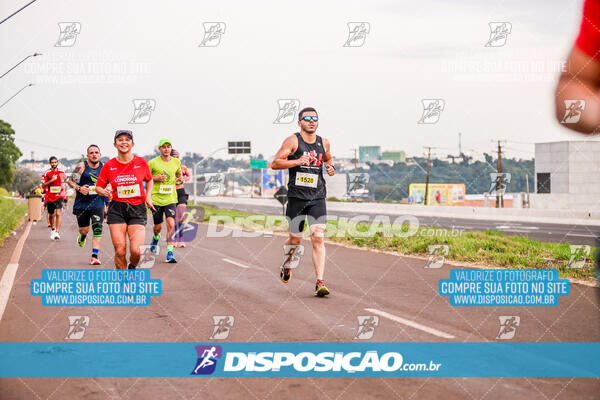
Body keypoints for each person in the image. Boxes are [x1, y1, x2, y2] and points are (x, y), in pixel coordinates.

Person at [271, 106, 335, 297]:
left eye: (315, 118)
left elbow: (329, 160)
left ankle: (320, 282)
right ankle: (287, 264)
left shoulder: (324, 143)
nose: (311, 121)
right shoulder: (292, 141)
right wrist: (296, 162)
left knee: (318, 236)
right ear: (299, 122)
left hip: (317, 196)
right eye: (307, 118)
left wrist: (330, 167)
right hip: (297, 198)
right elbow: (275, 163)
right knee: (296, 239)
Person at [95, 130, 154, 270]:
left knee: (136, 251)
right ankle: (123, 282)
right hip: (117, 209)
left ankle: (132, 267)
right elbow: (98, 186)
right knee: (120, 250)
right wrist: (104, 191)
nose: (124, 142)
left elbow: (149, 179)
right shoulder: (109, 166)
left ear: (132, 144)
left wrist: (148, 196)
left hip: (137, 209)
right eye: (120, 140)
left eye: (127, 139)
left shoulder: (141, 162)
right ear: (115, 144)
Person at [67, 145, 109, 265]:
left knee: (97, 228)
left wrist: (107, 201)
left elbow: (108, 184)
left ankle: (94, 256)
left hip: (98, 202)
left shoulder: (104, 167)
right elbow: (70, 181)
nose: (94, 155)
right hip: (82, 204)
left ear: (100, 155)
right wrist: (79, 188)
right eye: (91, 153)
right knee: (84, 230)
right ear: (88, 155)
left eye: (96, 152)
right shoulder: (81, 167)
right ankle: (83, 236)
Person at [148, 139, 181, 263]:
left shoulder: (176, 161)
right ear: (159, 149)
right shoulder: (152, 163)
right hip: (156, 198)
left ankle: (170, 253)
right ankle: (156, 238)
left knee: (171, 224)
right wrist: (155, 178)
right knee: (158, 226)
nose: (166, 149)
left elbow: (178, 174)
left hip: (170, 198)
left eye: (169, 147)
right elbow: (144, 177)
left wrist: (180, 178)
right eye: (164, 147)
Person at [41, 156, 65, 240]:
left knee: (58, 213)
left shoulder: (62, 172)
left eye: (55, 162)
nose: (54, 164)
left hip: (59, 195)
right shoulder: (47, 173)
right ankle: (52, 229)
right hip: (50, 196)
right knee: (51, 215)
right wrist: (52, 180)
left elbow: (64, 183)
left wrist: (65, 194)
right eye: (52, 162)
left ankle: (57, 232)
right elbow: (43, 185)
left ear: (57, 163)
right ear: (50, 163)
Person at [171, 148, 190, 247]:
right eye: (174, 157)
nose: (176, 159)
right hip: (171, 193)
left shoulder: (183, 167)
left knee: (182, 217)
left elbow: (189, 176)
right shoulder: (168, 168)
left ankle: (181, 239)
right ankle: (174, 239)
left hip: (181, 192)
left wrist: (186, 178)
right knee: (174, 218)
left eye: (177, 157)